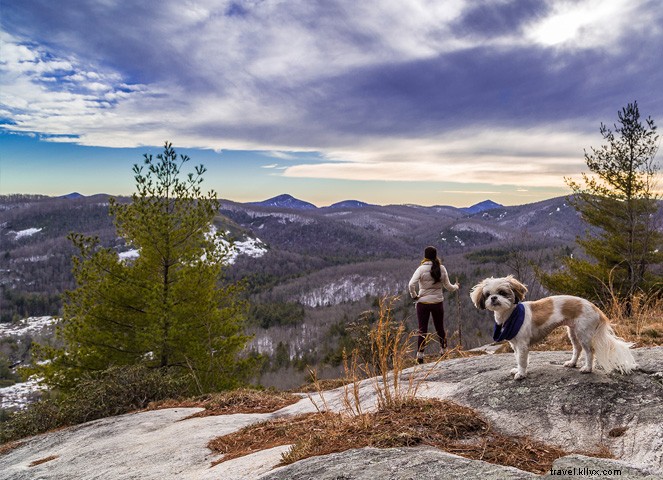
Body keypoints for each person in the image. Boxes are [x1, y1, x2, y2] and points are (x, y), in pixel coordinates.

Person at [408, 246, 459, 364]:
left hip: (423, 303)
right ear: (436, 255)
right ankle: (444, 350)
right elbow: (449, 287)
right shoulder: (442, 268)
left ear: (425, 256)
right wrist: (456, 286)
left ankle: (420, 356)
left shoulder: (421, 269)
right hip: (437, 302)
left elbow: (411, 284)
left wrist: (414, 296)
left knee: (422, 330)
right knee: (440, 328)